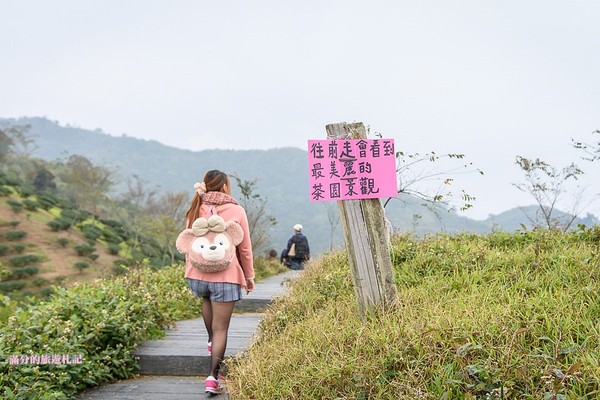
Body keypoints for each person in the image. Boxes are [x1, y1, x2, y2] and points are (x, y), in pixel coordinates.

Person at [183, 170, 255, 395]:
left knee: (209, 310)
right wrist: (249, 276)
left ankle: (210, 341)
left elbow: (188, 242)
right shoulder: (236, 210)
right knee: (221, 328)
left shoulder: (196, 206)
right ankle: (213, 377)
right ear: (225, 187)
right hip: (226, 276)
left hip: (198, 275)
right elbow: (244, 247)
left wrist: (191, 269)